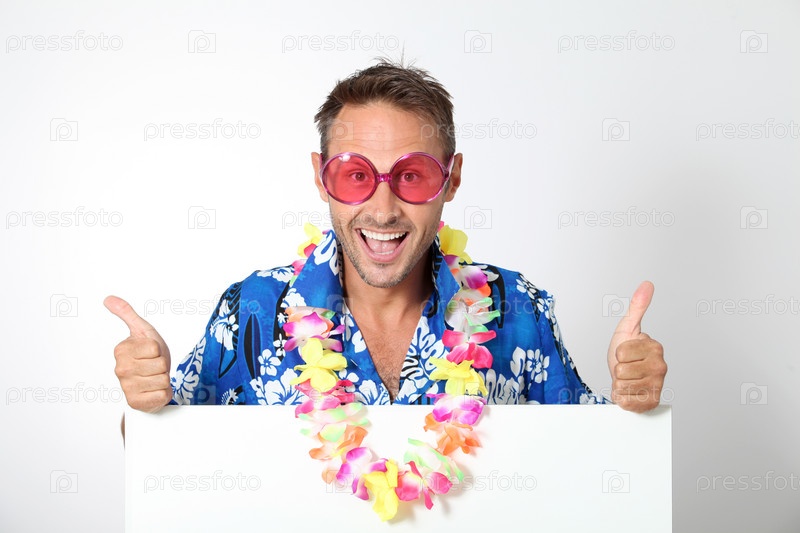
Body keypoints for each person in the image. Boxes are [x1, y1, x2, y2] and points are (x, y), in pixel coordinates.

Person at [106, 60, 666, 415]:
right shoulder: (249, 312)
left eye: (412, 175)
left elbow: (586, 467)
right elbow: (173, 461)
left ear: (452, 179)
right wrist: (144, 405)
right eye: (356, 175)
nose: (382, 208)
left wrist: (630, 405)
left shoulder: (520, 310)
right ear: (320, 177)